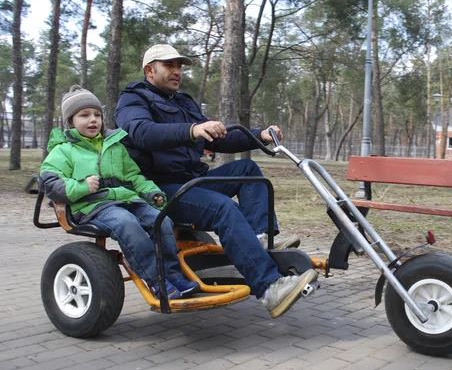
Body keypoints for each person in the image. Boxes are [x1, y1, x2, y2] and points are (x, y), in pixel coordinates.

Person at [114, 44, 317, 318]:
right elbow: (142, 132)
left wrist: (260, 134)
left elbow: (218, 137)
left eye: (180, 66)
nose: (177, 72)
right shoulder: (133, 99)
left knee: (246, 170)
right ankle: (269, 288)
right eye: (170, 66)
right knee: (222, 208)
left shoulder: (183, 102)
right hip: (160, 188)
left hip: (191, 180)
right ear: (150, 70)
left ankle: (259, 238)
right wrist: (192, 130)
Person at [40, 85, 200, 301]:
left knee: (161, 220)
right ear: (70, 121)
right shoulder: (63, 150)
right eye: (84, 115)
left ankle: (172, 274)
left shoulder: (114, 145)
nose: (93, 120)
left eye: (97, 114)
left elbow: (133, 176)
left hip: (124, 200)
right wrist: (82, 186)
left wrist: (151, 192)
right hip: (91, 206)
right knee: (126, 223)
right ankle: (156, 281)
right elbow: (50, 183)